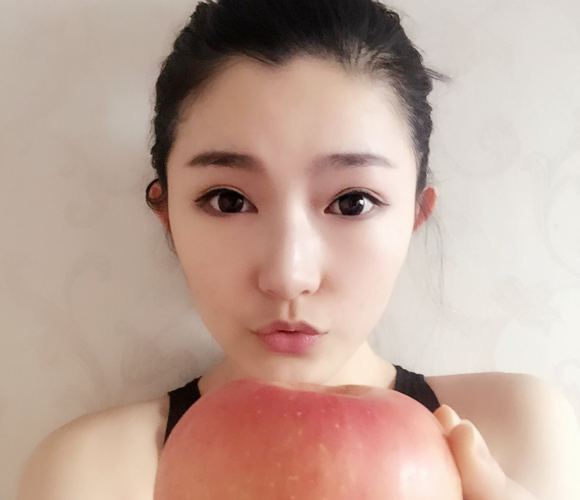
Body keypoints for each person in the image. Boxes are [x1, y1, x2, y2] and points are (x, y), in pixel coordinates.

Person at [16, 1, 580, 499]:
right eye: (228, 200)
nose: (289, 276)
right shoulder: (96, 474)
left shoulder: (514, 434)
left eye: (353, 202)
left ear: (415, 215)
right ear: (167, 214)